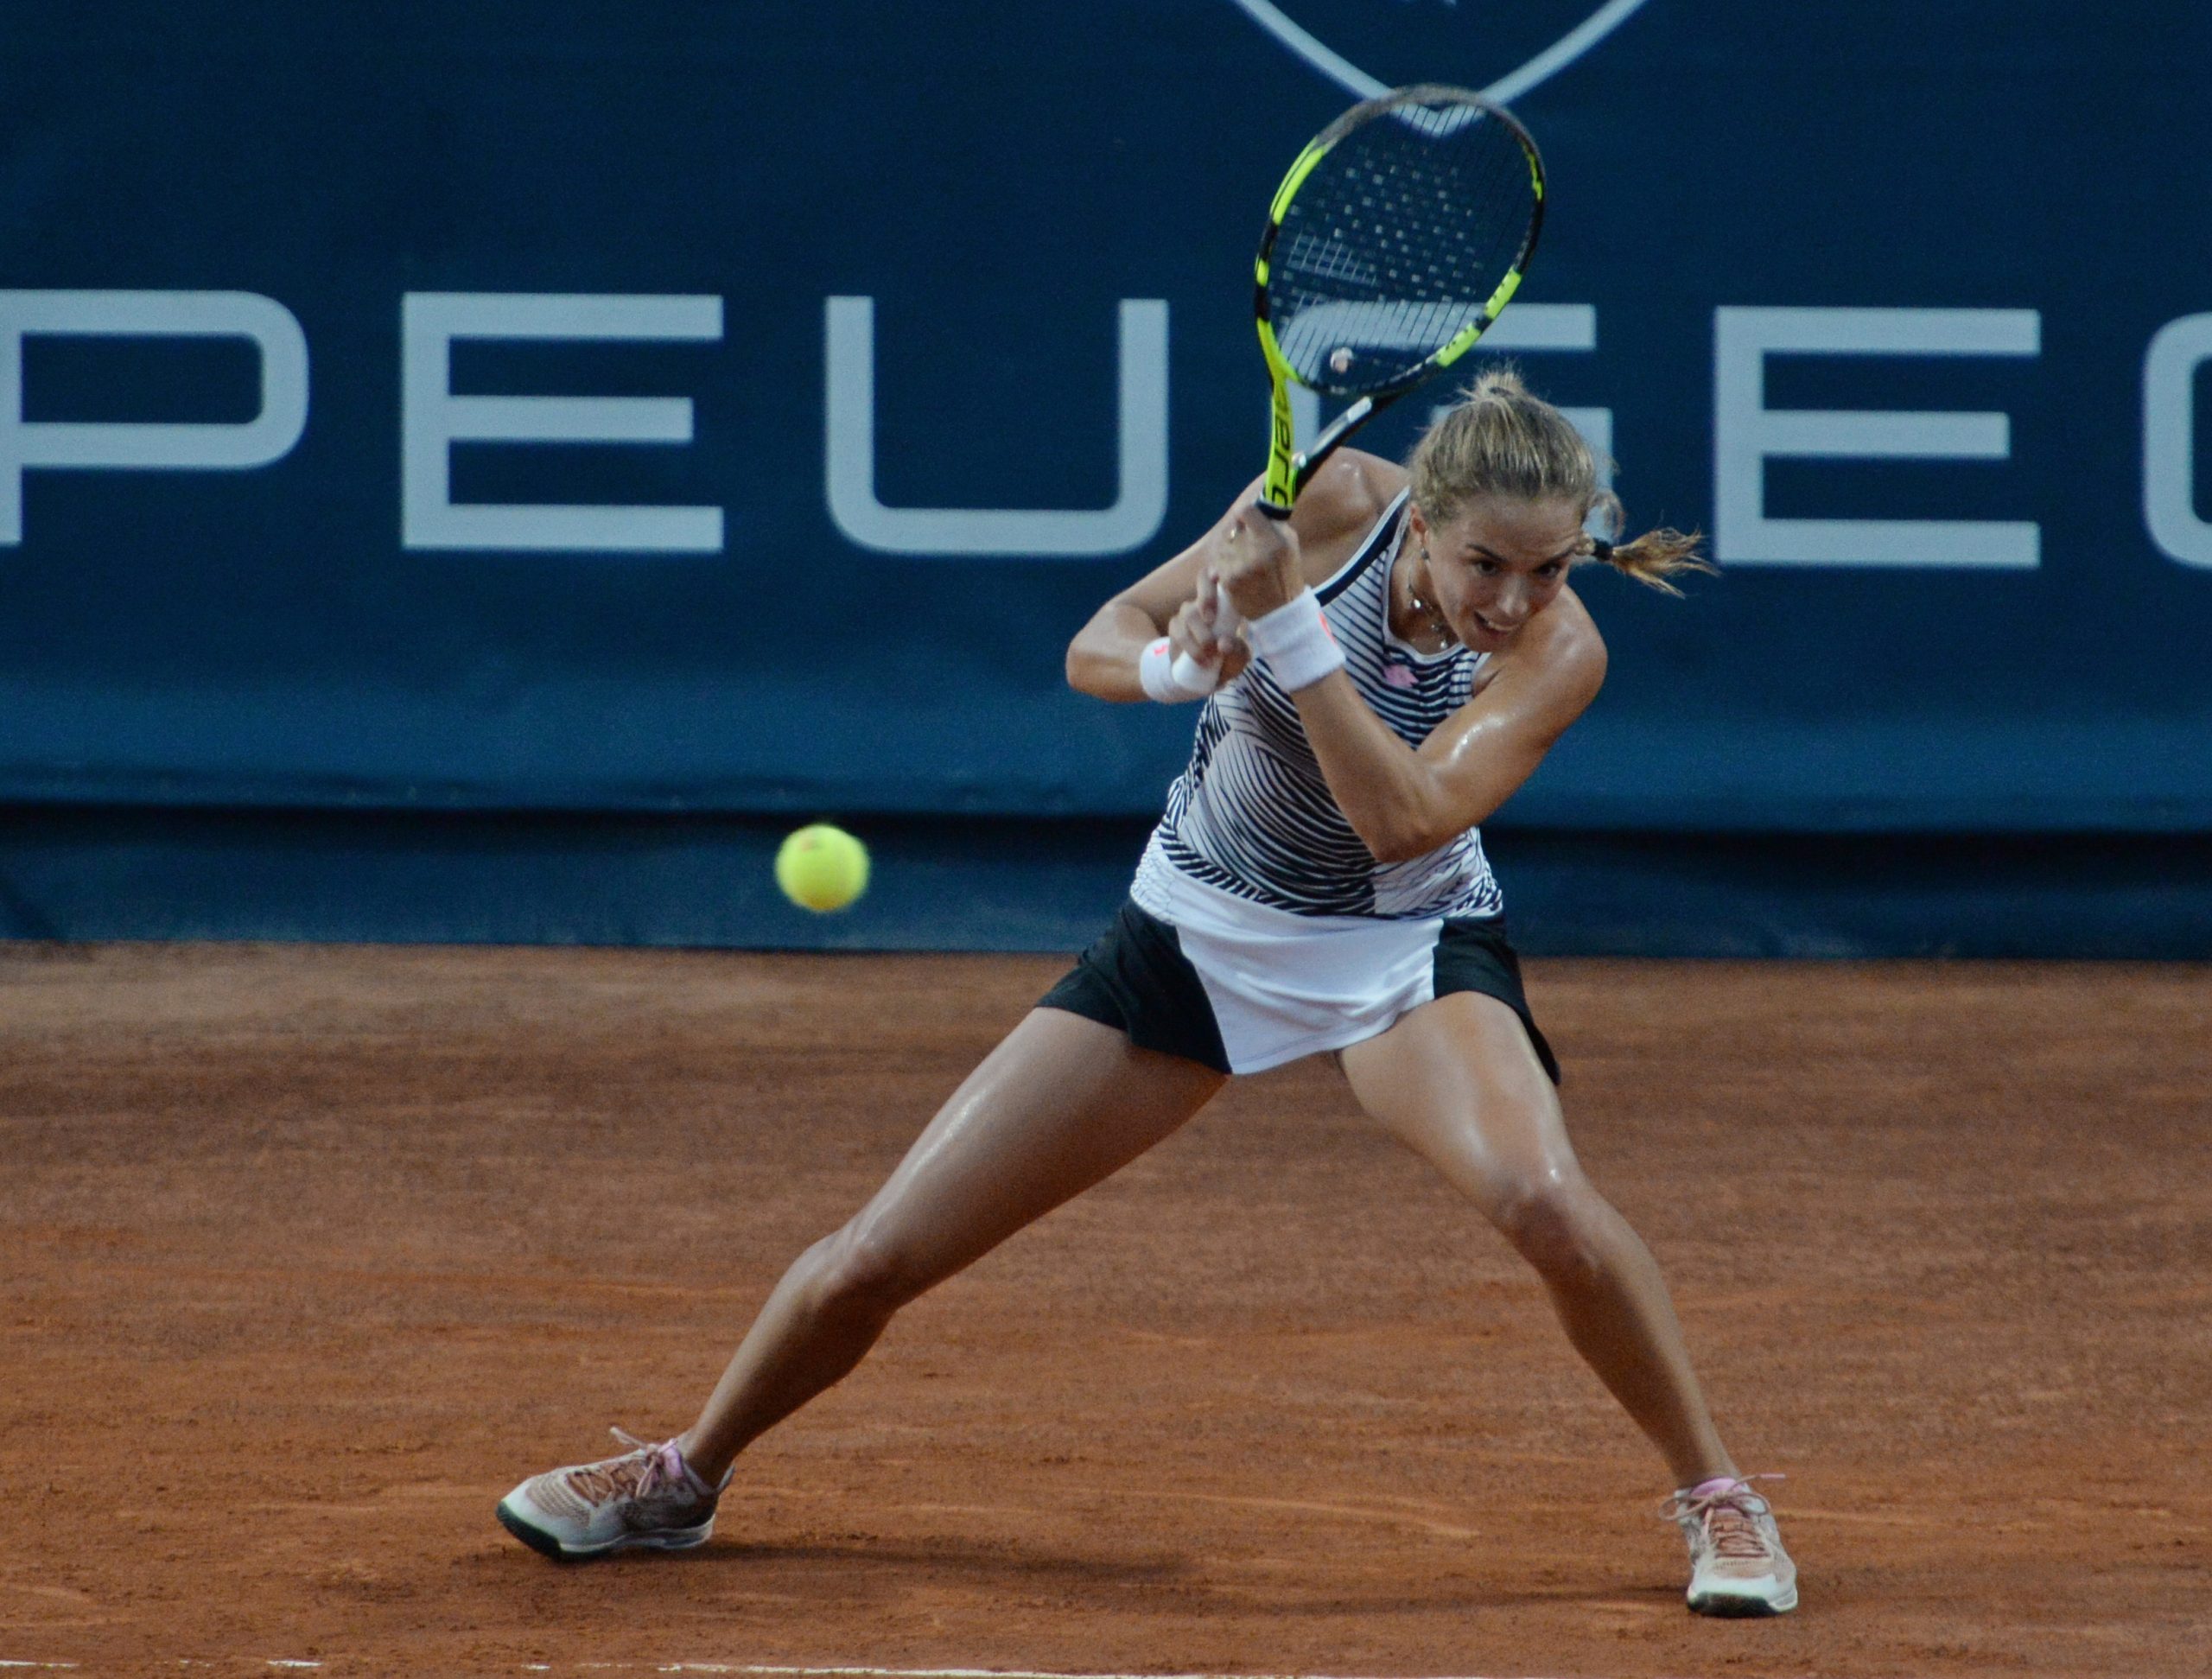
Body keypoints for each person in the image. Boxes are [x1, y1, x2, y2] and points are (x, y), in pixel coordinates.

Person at [495, 369, 1798, 1619]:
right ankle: (686, 1477)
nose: (1515, 601)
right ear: (1424, 520)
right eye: (1487, 565)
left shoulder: (1562, 655)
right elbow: (1096, 645)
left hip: (1401, 955)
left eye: (1549, 568)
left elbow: (1402, 822)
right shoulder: (1333, 500)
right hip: (1196, 936)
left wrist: (1285, 630)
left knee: (1545, 1202)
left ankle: (1721, 1496)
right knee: (875, 1260)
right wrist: (1183, 668)